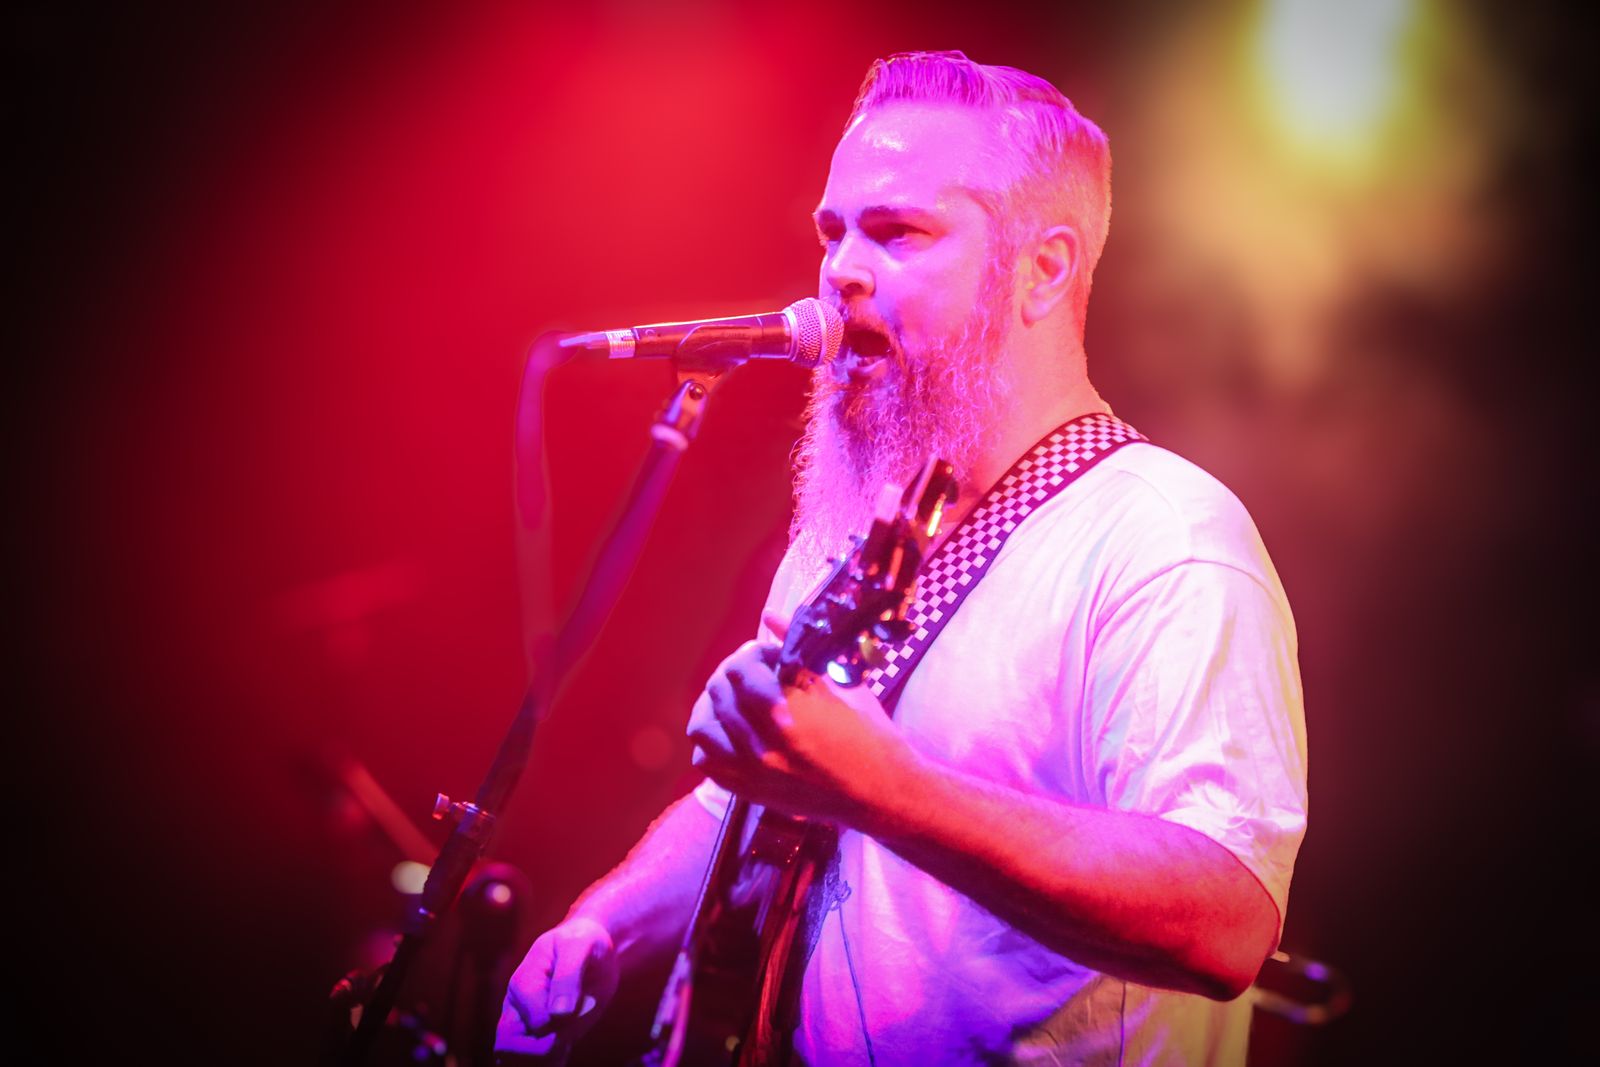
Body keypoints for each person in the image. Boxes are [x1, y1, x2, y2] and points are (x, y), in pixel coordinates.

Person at [498, 50, 1308, 1065]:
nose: (840, 270)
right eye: (832, 232)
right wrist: (605, 926)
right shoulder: (851, 526)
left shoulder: (1164, 539)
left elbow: (1226, 918)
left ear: (1044, 269)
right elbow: (749, 799)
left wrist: (885, 789)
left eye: (897, 232)